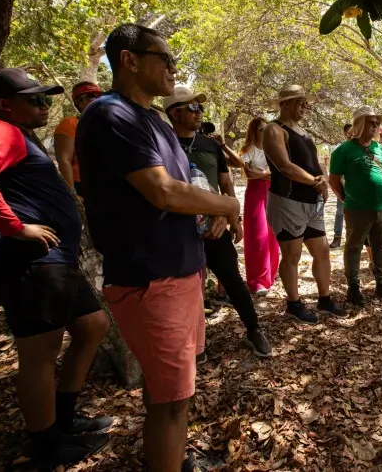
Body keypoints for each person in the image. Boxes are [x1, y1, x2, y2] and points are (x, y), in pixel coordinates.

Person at [76, 23, 239, 472]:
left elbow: (186, 186)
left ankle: (171, 457)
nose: (172, 67)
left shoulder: (151, 120)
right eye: (164, 58)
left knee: (170, 393)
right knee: (172, 401)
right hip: (150, 279)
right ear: (129, 60)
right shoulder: (112, 115)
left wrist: (208, 217)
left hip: (181, 271)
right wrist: (228, 204)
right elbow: (162, 191)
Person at [0, 68, 111, 471]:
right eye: (35, 99)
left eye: (45, 99)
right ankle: (45, 446)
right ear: (6, 104)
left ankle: (62, 418)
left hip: (54, 260)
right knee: (39, 354)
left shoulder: (17, 135)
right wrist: (14, 226)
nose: (44, 105)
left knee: (93, 325)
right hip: (30, 262)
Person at [164, 87, 272, 358]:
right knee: (187, 286)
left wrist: (230, 218)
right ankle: (194, 345)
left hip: (216, 225)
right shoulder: (162, 145)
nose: (200, 112)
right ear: (174, 112)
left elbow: (225, 182)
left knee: (233, 279)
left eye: (200, 108)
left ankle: (254, 330)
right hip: (178, 229)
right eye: (193, 108)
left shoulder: (210, 144)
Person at [262, 84, 346, 324]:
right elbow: (283, 166)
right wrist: (315, 182)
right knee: (292, 255)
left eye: (305, 102)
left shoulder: (304, 132)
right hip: (287, 201)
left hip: (312, 203)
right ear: (285, 103)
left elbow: (317, 163)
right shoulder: (274, 129)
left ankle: (324, 299)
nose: (304, 106)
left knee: (322, 252)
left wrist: (323, 182)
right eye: (299, 102)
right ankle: (293, 304)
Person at [329, 106, 382, 307]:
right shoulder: (343, 150)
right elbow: (334, 180)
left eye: (377, 123)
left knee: (380, 247)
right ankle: (354, 288)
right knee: (354, 247)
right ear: (360, 124)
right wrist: (346, 198)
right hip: (357, 209)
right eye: (370, 123)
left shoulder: (380, 148)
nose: (374, 127)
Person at [239, 116, 279, 296]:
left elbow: (277, 173)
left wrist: (261, 174)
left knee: (272, 233)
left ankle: (271, 275)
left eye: (267, 129)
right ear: (254, 131)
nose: (265, 132)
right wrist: (266, 174)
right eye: (262, 129)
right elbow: (248, 173)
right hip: (255, 194)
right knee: (257, 235)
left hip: (273, 192)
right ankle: (256, 281)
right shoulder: (248, 150)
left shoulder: (273, 150)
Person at [53, 81, 103, 197]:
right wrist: (72, 193)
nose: (96, 99)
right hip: (82, 184)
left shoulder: (106, 123)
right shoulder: (71, 123)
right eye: (91, 96)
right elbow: (64, 160)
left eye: (99, 96)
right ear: (78, 102)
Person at [328, 123, 352, 249]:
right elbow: (336, 174)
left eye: (353, 131)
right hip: (343, 187)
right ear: (345, 133)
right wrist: (342, 186)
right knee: (340, 213)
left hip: (356, 188)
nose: (351, 134)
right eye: (349, 132)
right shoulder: (341, 149)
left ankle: (352, 238)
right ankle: (337, 238)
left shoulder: (360, 148)